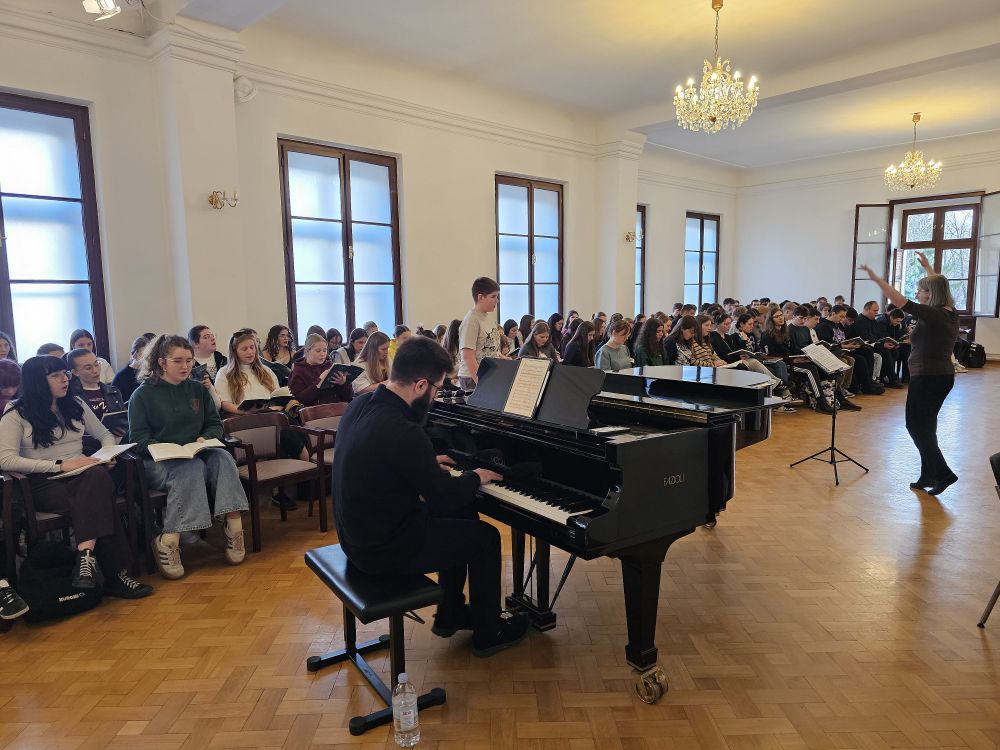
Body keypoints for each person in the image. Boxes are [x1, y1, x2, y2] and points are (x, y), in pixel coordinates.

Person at [332, 335, 528, 656]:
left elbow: (382, 460)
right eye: (437, 388)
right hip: (381, 549)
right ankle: (489, 632)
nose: (436, 397)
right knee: (487, 538)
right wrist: (475, 476)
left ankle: (450, 614)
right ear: (420, 385)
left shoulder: (361, 405)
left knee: (462, 515)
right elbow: (444, 497)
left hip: (356, 535)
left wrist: (424, 463)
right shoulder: (404, 430)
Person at [0, 356, 151, 597]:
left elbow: (105, 434)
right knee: (100, 494)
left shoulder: (75, 403)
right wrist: (60, 466)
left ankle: (85, 558)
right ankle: (116, 576)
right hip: (43, 483)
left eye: (65, 374)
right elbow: (6, 460)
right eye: (56, 376)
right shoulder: (17, 412)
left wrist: (107, 454)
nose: (65, 379)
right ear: (37, 381)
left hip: (83, 475)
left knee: (96, 478)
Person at [127, 335, 249, 579]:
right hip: (158, 462)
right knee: (189, 468)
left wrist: (205, 437)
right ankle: (168, 540)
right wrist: (165, 448)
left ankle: (234, 526)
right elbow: (138, 439)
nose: (185, 366)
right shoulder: (142, 395)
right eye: (178, 361)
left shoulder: (197, 389)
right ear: (161, 362)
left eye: (189, 361)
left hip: (196, 451)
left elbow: (214, 424)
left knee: (223, 459)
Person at [859, 258, 959, 495]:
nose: (917, 294)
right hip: (939, 376)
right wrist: (928, 269)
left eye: (920, 290)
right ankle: (928, 474)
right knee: (926, 426)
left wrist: (877, 279)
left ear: (930, 294)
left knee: (915, 426)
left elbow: (901, 301)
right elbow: (939, 284)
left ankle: (943, 473)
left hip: (928, 377)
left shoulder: (934, 314)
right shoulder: (949, 312)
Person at [457, 277, 501, 389]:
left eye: (497, 296)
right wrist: (480, 382)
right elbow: (467, 356)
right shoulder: (471, 320)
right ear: (480, 297)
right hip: (472, 377)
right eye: (493, 296)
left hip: (488, 375)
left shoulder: (488, 317)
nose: (497, 300)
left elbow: (491, 348)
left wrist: (505, 358)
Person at [288, 333, 353, 407]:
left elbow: (349, 396)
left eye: (324, 351)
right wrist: (319, 382)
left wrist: (343, 384)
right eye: (318, 351)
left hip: (337, 408)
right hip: (315, 411)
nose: (322, 354)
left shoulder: (330, 366)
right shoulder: (298, 371)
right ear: (307, 351)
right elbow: (299, 400)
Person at [113, 334, 154, 402]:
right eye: (144, 355)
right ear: (135, 354)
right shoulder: (121, 377)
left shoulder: (151, 373)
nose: (147, 359)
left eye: (149, 355)